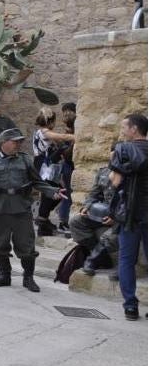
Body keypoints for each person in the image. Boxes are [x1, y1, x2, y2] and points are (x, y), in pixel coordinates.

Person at [0, 128, 64, 292]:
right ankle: (4, 276)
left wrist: (53, 191)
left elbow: (37, 182)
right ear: (4, 143)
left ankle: (28, 278)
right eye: (15, 141)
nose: (18, 144)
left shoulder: (25, 160)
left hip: (21, 208)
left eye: (20, 141)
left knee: (27, 245)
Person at [107, 113, 148, 321]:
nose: (122, 131)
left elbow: (114, 182)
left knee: (126, 260)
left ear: (134, 129)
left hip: (130, 214)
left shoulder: (123, 149)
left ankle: (131, 306)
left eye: (124, 127)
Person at [69, 161, 118, 276]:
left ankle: (92, 260)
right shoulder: (103, 172)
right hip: (101, 214)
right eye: (112, 157)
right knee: (75, 223)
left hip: (121, 218)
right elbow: (93, 194)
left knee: (108, 237)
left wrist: (115, 218)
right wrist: (86, 207)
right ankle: (103, 258)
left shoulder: (131, 175)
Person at [31, 107, 75, 236]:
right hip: (44, 165)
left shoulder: (43, 132)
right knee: (50, 193)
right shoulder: (43, 132)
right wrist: (75, 136)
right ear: (51, 121)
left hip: (48, 166)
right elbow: (62, 137)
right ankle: (42, 220)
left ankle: (43, 219)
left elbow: (59, 143)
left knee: (55, 192)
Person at [57, 103, 77, 233]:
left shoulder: (72, 130)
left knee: (69, 194)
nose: (67, 115)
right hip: (69, 166)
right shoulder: (67, 134)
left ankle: (64, 221)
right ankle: (63, 222)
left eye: (69, 112)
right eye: (65, 113)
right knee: (69, 194)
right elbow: (66, 154)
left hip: (71, 166)